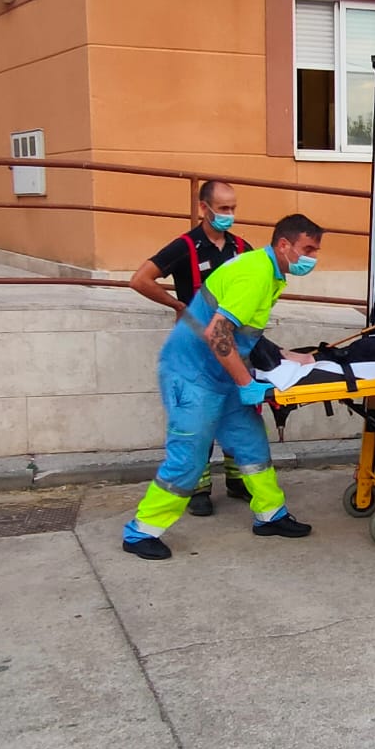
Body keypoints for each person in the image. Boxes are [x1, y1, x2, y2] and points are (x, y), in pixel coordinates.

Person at [121, 214, 326, 561]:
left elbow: (245, 333)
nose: (313, 258)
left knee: (250, 443)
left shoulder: (267, 270)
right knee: (188, 459)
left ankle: (270, 515)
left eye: (316, 250)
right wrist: (247, 385)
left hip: (220, 374)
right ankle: (141, 532)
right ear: (284, 245)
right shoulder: (256, 274)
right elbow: (216, 333)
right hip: (192, 376)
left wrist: (287, 356)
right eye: (308, 249)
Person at [128, 180, 253, 517]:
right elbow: (140, 279)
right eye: (223, 209)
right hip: (195, 351)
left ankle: (238, 480)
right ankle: (198, 489)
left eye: (233, 209)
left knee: (240, 412)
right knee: (198, 416)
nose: (229, 215)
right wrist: (176, 305)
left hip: (235, 347)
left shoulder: (242, 248)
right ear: (203, 208)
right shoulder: (185, 247)